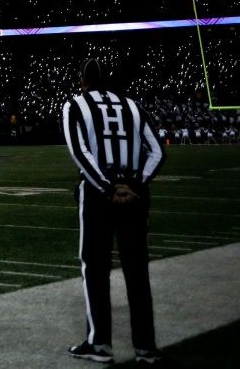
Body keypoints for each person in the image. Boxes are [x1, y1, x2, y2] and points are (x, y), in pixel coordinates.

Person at [63, 57, 166, 365]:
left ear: (83, 82)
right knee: (137, 270)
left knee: (94, 268)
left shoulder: (75, 105)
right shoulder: (134, 106)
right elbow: (158, 151)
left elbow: (79, 152)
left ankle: (100, 343)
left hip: (98, 197)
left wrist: (108, 187)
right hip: (135, 197)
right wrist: (135, 184)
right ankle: (146, 347)